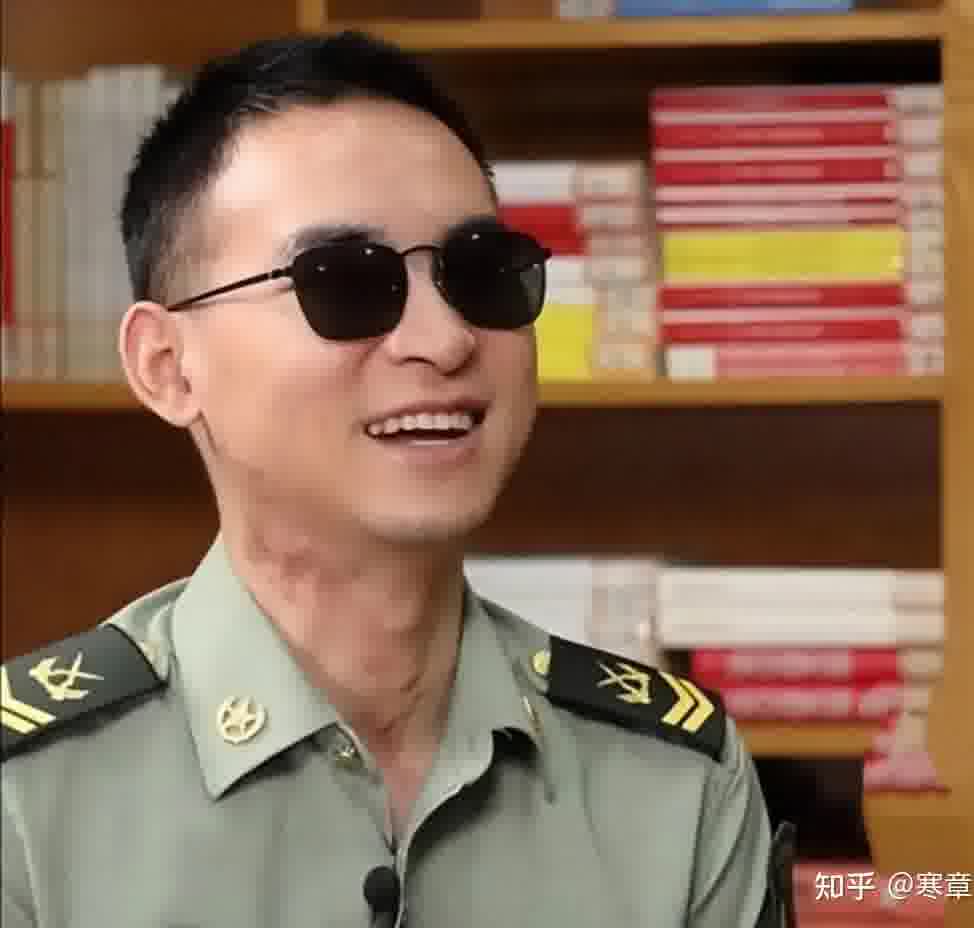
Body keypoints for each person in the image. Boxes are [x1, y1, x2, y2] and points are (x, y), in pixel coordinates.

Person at [1, 32, 794, 927]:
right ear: (167, 366)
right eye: (345, 283)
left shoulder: (676, 782)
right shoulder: (25, 798)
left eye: (480, 274)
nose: (445, 340)